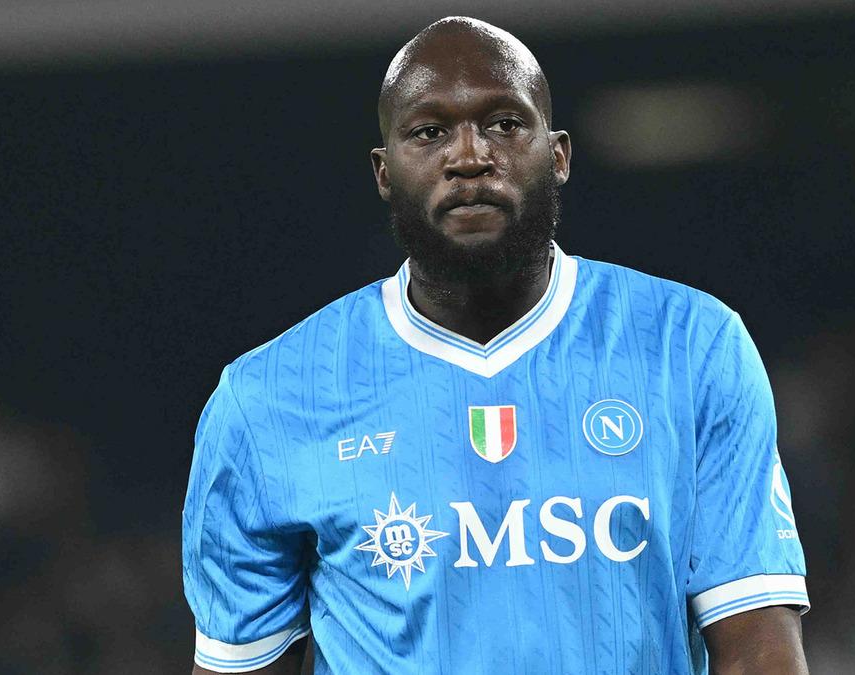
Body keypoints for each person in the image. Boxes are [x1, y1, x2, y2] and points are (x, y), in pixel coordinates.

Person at [183, 16, 809, 675]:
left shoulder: (691, 347)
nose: (469, 157)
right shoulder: (270, 399)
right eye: (430, 132)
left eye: (505, 124)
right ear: (384, 172)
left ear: (558, 155)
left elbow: (759, 649)